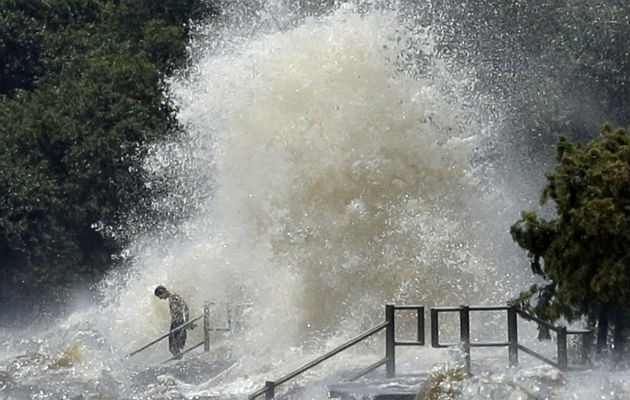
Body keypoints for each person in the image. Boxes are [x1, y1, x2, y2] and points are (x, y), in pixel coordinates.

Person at [154, 285, 194, 357]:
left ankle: (180, 359)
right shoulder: (171, 298)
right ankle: (179, 358)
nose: (161, 299)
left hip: (179, 322)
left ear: (163, 292)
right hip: (174, 322)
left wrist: (187, 321)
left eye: (160, 296)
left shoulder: (174, 297)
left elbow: (186, 307)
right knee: (172, 348)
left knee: (174, 347)